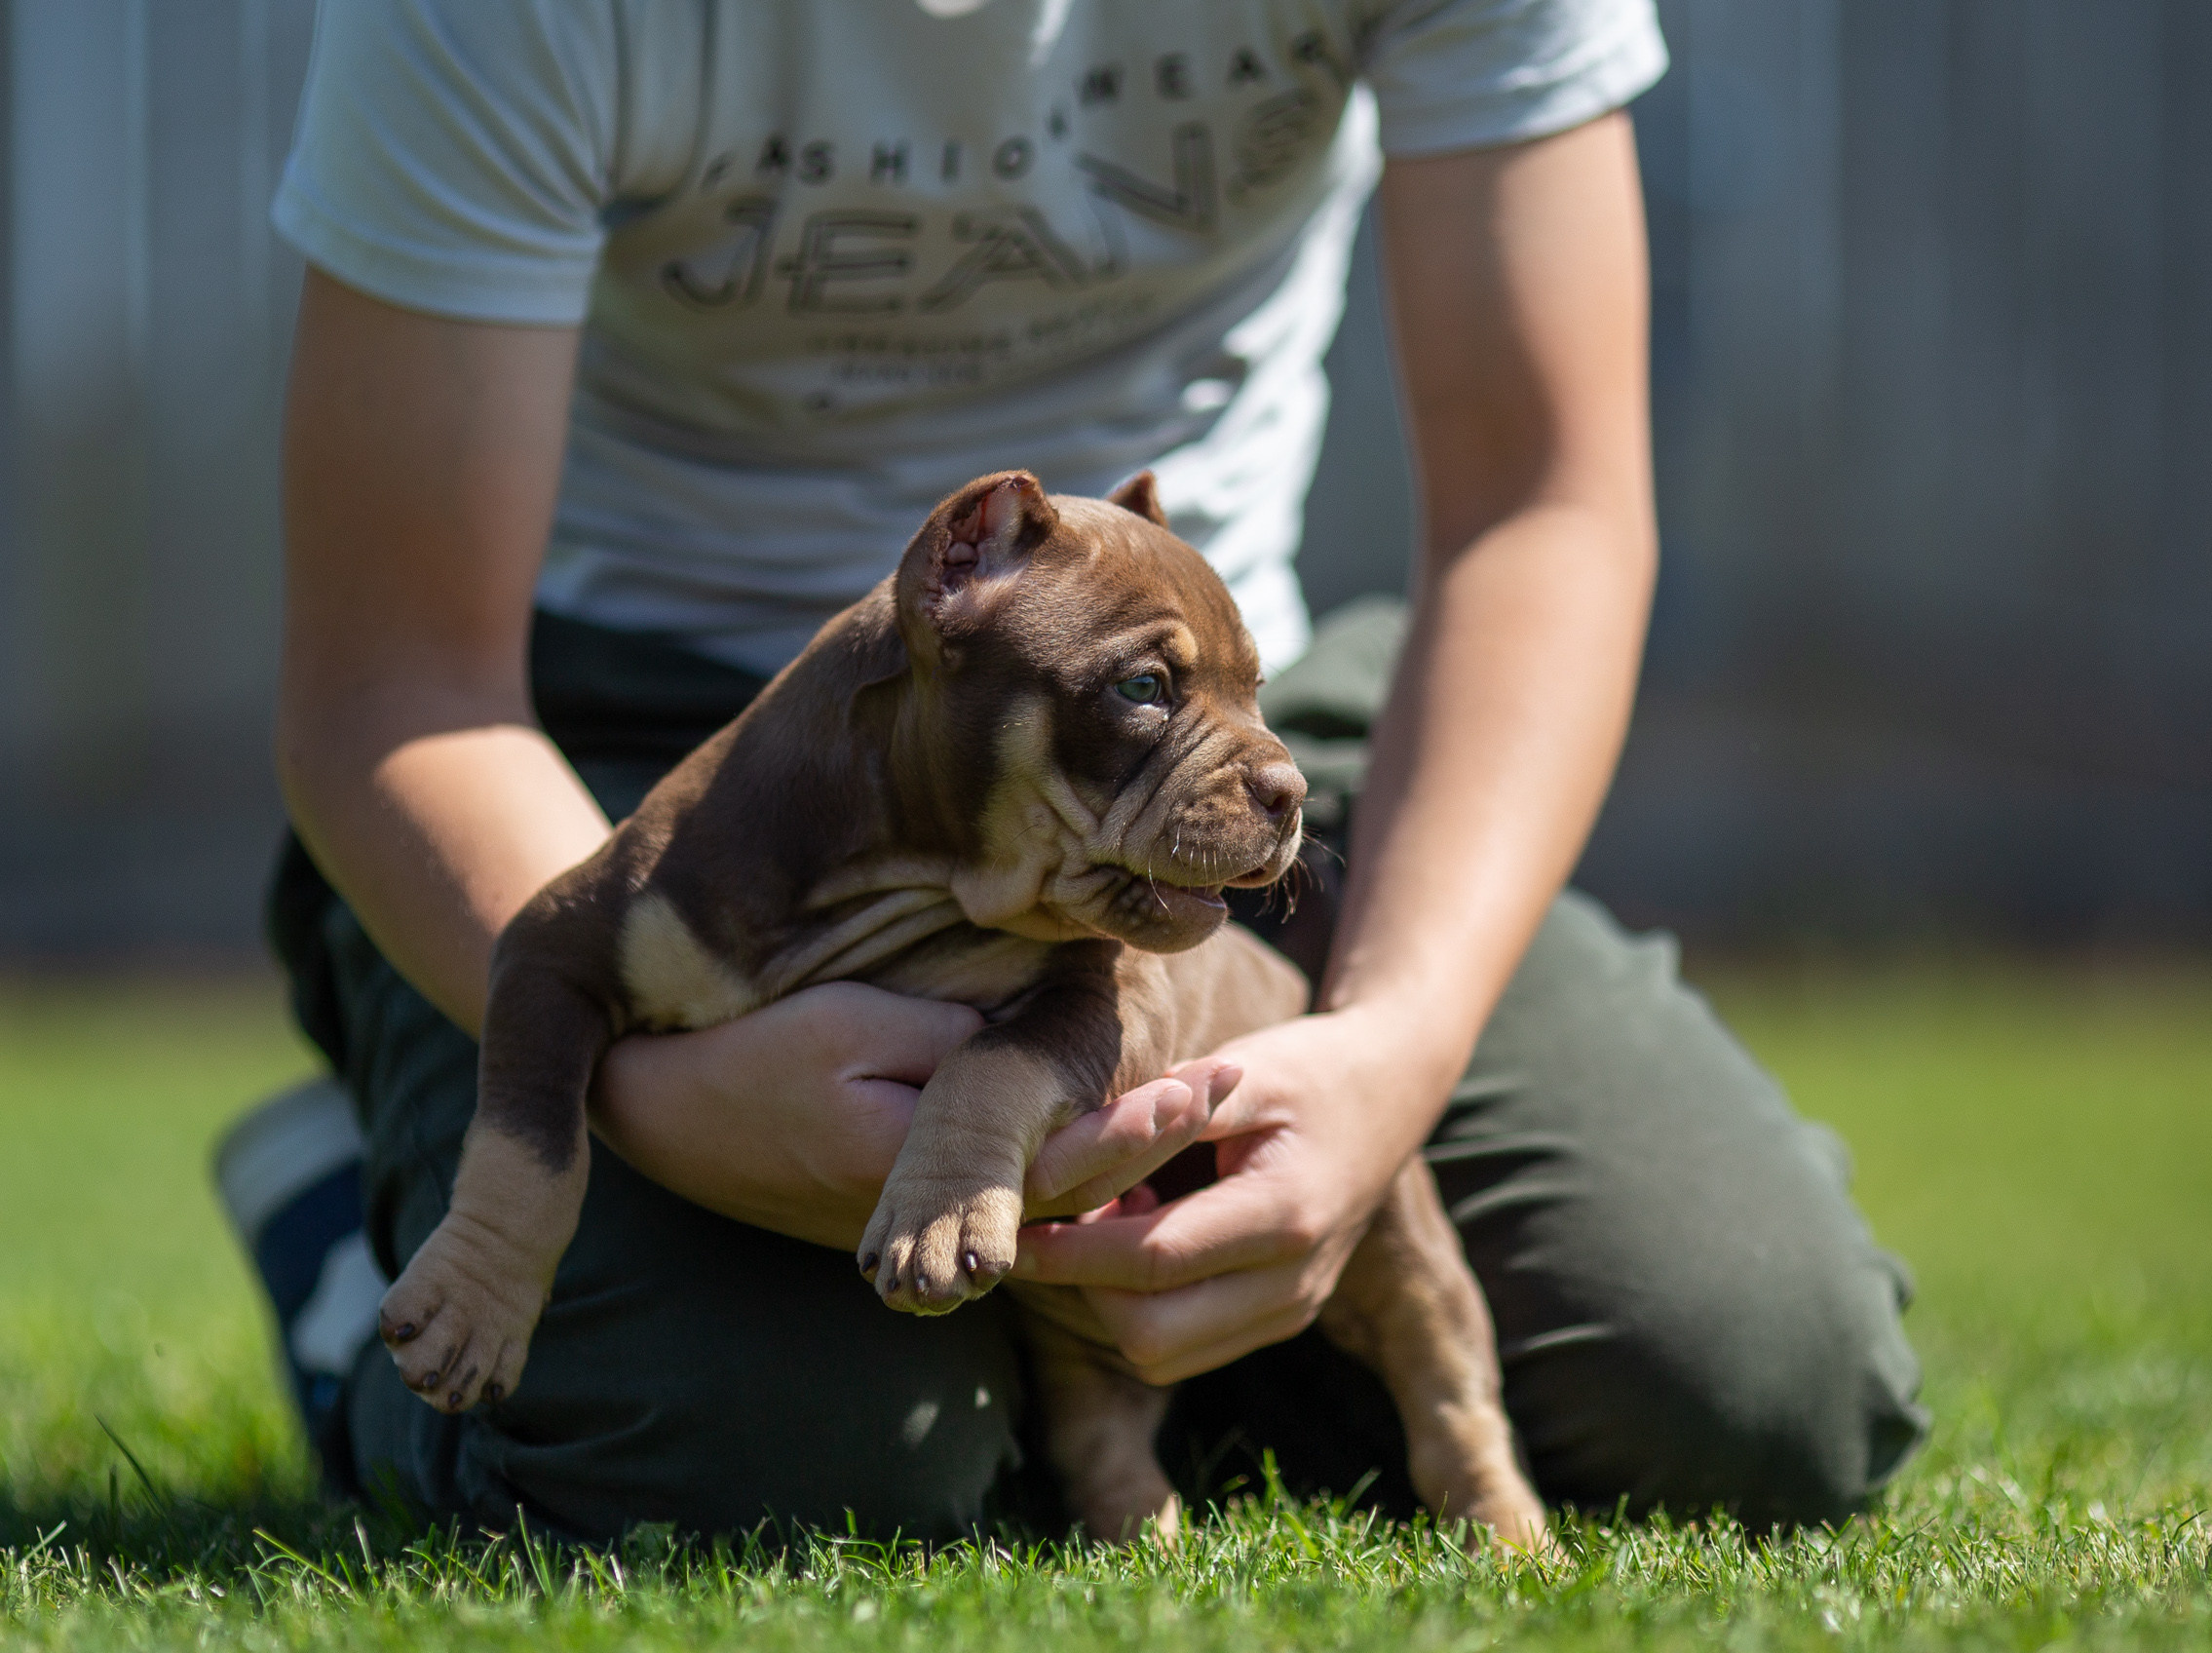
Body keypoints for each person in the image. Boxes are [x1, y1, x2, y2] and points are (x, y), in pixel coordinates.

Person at [222, 0, 1926, 1543]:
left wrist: (1397, 1044)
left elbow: (1543, 509)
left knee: (1751, 1385)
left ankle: (1123, 1364)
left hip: (1209, 712)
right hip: (614, 746)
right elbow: (397, 678)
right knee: (771, 1473)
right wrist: (652, 1113)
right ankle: (358, 1249)